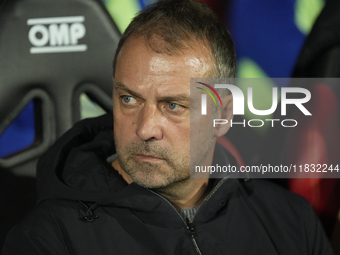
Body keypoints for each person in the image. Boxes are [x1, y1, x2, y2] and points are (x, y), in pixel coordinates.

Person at [2, 0, 334, 254]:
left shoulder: (292, 225)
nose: (145, 128)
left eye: (173, 106)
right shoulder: (49, 240)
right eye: (129, 99)